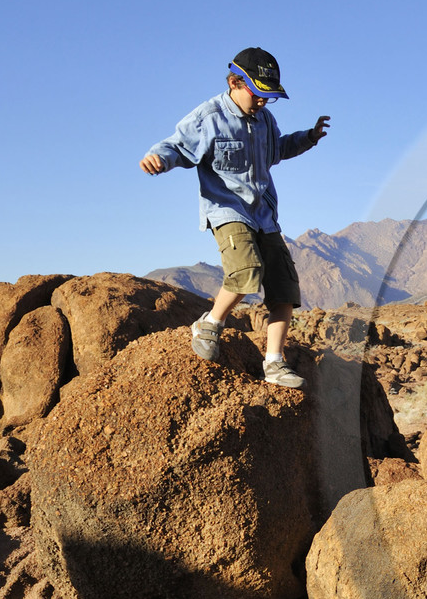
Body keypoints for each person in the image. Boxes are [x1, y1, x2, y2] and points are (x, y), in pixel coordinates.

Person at [140, 47, 330, 388]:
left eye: (268, 98)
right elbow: (177, 146)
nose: (262, 103)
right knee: (245, 271)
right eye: (258, 95)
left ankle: (273, 363)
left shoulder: (265, 120)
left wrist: (309, 138)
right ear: (234, 82)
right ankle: (210, 323)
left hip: (264, 214)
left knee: (284, 290)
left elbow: (278, 151)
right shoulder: (208, 116)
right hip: (227, 209)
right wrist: (157, 158)